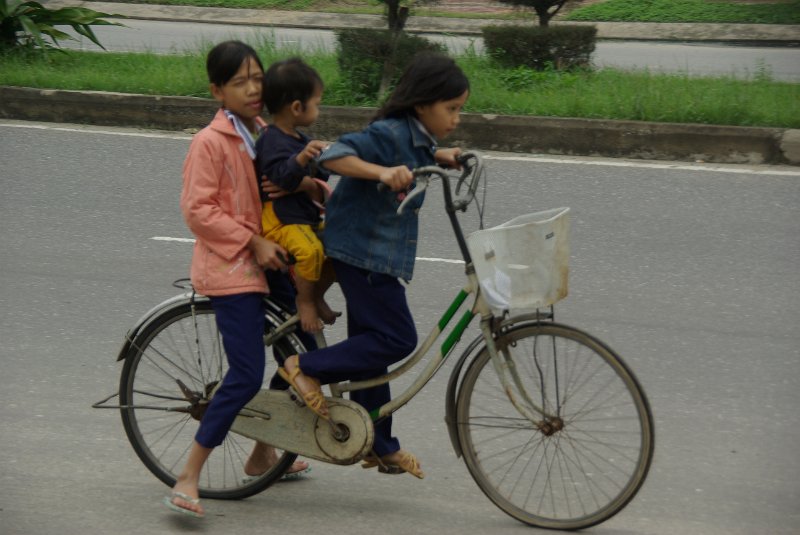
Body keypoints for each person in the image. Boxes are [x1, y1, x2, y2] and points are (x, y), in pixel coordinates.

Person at [276, 52, 470, 479]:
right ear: (422, 105)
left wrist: (445, 156)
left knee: (370, 355)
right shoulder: (387, 132)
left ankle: (380, 446)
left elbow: (418, 151)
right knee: (396, 338)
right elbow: (333, 156)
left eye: (460, 110)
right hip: (360, 251)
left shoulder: (416, 136)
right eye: (451, 109)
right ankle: (302, 367)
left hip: (377, 253)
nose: (456, 117)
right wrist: (380, 174)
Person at [165, 40, 307, 519]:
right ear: (217, 90)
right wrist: (252, 242)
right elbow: (198, 210)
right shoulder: (210, 142)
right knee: (246, 372)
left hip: (273, 260)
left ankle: (262, 451)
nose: (252, 89)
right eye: (239, 81)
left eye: (257, 78)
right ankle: (189, 475)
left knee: (308, 347)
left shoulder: (264, 130)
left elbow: (280, 183)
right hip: (233, 269)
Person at [255, 57, 337, 334]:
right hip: (282, 221)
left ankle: (316, 294)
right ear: (296, 107)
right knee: (310, 251)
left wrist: (315, 166)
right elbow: (278, 178)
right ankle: (304, 301)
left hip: (304, 215)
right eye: (317, 103)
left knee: (344, 248)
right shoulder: (270, 139)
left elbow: (320, 177)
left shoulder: (301, 140)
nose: (319, 109)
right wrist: (301, 160)